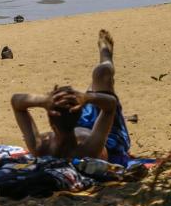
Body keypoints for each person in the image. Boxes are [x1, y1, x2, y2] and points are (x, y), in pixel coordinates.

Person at [12, 30, 131, 164]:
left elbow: (16, 102)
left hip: (84, 124)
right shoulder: (89, 148)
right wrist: (86, 98)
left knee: (99, 79)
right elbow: (110, 106)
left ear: (52, 125)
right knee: (102, 74)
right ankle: (106, 55)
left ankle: (99, 74)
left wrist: (45, 100)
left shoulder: (41, 146)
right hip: (108, 137)